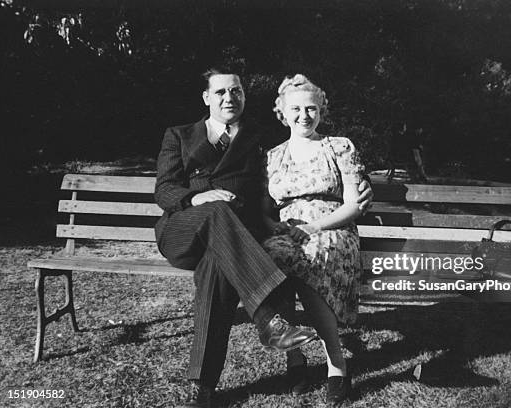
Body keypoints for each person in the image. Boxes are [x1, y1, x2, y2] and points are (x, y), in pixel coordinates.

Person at [154, 67, 373, 408]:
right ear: (206, 97)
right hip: (185, 230)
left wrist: (359, 190)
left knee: (217, 267)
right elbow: (165, 189)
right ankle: (268, 318)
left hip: (230, 245)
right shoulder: (180, 135)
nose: (230, 98)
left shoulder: (259, 139)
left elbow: (282, 177)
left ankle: (204, 386)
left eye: (237, 91)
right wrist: (197, 198)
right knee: (216, 211)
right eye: (222, 92)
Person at [261, 74, 364, 405]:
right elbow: (262, 211)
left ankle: (336, 364)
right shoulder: (271, 157)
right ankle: (295, 357)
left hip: (332, 230)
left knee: (304, 259)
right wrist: (272, 226)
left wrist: (313, 227)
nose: (304, 115)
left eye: (311, 108)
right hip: (287, 231)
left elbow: (354, 205)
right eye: (296, 109)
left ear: (321, 110)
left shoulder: (338, 147)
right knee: (270, 255)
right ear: (282, 112)